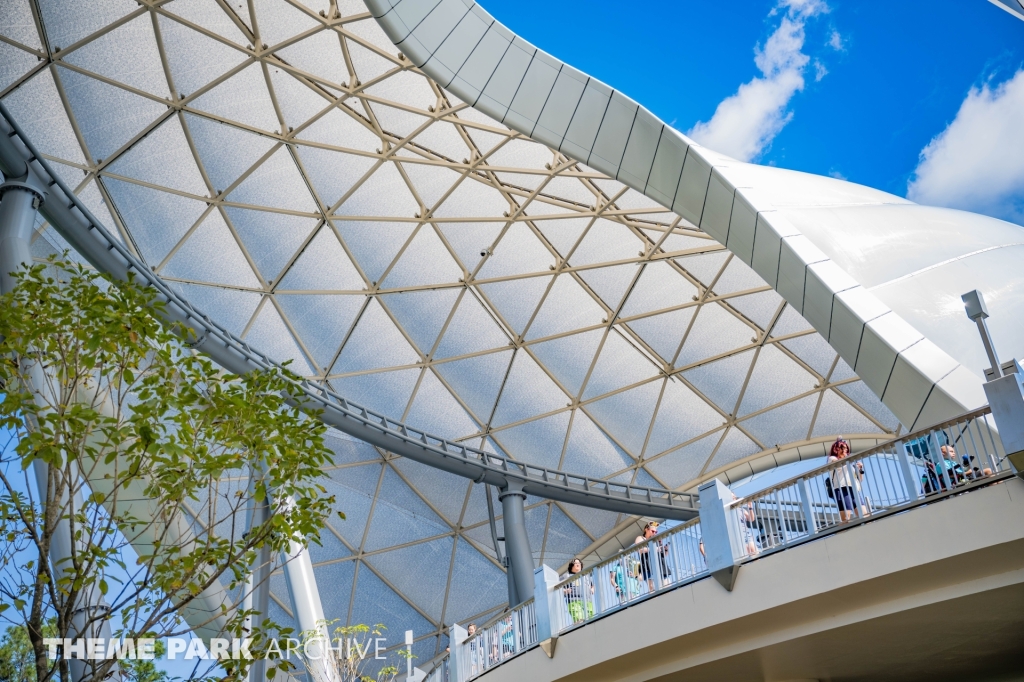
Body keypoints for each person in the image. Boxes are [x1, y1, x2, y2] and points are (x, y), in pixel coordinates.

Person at [827, 438, 868, 522]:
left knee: (865, 514)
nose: (845, 450)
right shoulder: (832, 458)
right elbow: (837, 464)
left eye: (846, 448)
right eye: (843, 448)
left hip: (853, 489)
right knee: (846, 518)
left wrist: (860, 470)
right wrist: (849, 459)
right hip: (841, 488)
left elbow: (859, 479)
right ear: (837, 449)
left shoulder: (850, 463)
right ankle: (842, 533)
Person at [633, 522, 672, 591]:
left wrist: (665, 550)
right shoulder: (641, 538)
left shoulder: (656, 540)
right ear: (646, 530)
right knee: (652, 588)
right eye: (653, 531)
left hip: (661, 566)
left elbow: (664, 555)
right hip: (648, 566)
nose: (654, 533)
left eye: (656, 532)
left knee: (667, 586)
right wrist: (653, 549)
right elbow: (639, 549)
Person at [560, 558, 595, 623]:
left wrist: (592, 589)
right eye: (575, 563)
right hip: (574, 601)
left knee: (591, 620)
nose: (578, 564)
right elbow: (557, 587)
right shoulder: (566, 576)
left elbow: (592, 585)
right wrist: (565, 591)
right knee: (579, 620)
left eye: (579, 563)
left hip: (587, 600)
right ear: (571, 566)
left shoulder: (586, 575)